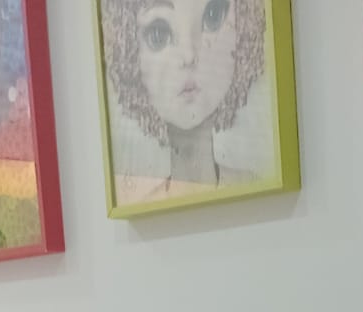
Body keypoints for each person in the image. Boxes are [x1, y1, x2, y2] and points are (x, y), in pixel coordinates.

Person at [102, 0, 266, 200]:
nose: (189, 56)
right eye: (158, 34)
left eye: (213, 16)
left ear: (244, 26)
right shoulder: (145, 207)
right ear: (129, 52)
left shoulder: (255, 188)